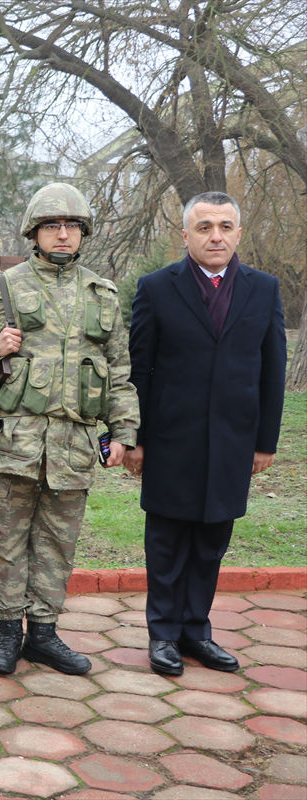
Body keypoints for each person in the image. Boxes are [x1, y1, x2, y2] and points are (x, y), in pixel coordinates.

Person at [0, 182, 139, 676]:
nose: (62, 234)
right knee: (8, 539)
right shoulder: (5, 287)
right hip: (16, 439)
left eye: (71, 226)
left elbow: (118, 370)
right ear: (34, 232)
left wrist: (123, 432)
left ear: (83, 234)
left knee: (59, 541)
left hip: (75, 443)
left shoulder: (103, 294)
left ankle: (45, 634)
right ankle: (9, 633)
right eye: (52, 226)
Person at [126, 191, 285, 677]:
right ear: (186, 235)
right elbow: (140, 369)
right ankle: (163, 636)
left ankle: (197, 631)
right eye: (204, 227)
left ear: (238, 232)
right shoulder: (156, 288)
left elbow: (272, 369)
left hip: (235, 442)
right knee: (168, 542)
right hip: (172, 440)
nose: (215, 236)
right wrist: (135, 437)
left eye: (224, 226)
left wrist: (265, 441)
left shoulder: (263, 289)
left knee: (212, 540)